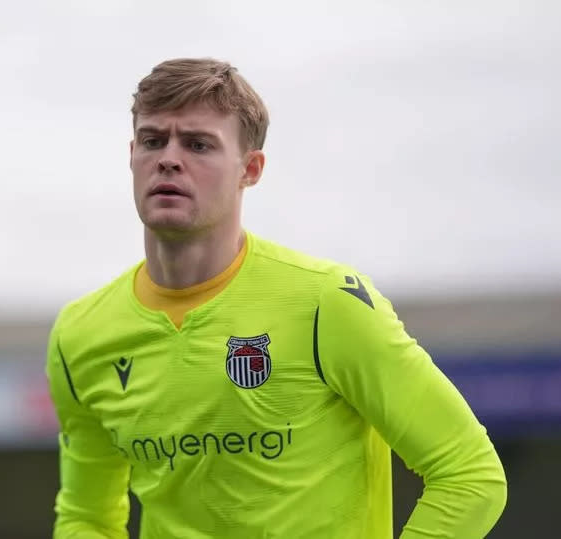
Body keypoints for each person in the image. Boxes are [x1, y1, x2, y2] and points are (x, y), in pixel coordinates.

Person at [45, 58, 507, 538]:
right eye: (153, 140)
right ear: (132, 154)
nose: (169, 158)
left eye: (198, 144)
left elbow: (470, 474)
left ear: (251, 169)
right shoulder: (81, 334)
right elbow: (87, 518)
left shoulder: (327, 303)